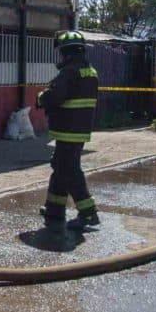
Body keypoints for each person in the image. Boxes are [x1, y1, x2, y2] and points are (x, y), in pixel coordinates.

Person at [35, 30, 99, 237]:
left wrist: (41, 97)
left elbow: (56, 96)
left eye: (62, 53)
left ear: (67, 53)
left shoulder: (70, 72)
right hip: (78, 129)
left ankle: (88, 212)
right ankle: (55, 209)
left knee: (70, 169)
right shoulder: (89, 71)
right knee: (61, 166)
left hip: (68, 129)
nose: (61, 57)